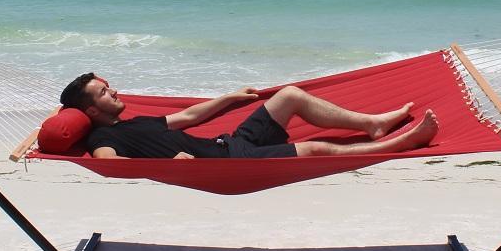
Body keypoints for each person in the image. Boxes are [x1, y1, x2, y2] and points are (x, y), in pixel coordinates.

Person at [59, 72, 438, 159]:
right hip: (225, 164)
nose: (115, 92)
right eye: (105, 92)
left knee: (290, 95)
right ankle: (401, 143)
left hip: (229, 144)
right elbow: (112, 165)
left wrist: (228, 98)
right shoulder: (102, 139)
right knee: (310, 151)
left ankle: (371, 124)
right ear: (91, 110)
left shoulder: (135, 123)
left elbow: (189, 117)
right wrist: (172, 166)